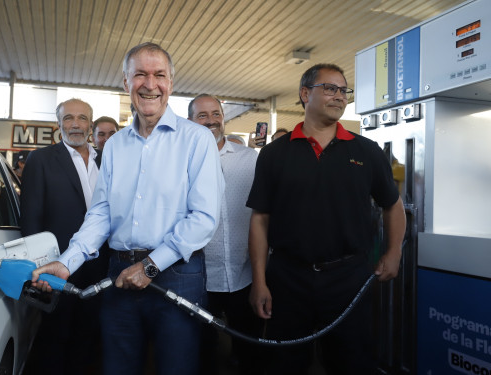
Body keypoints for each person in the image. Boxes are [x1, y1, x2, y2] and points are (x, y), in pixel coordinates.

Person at [31, 42, 224, 375]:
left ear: (171, 83)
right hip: (118, 276)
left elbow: (204, 218)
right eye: (140, 75)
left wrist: (150, 266)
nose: (150, 84)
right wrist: (66, 263)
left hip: (177, 276)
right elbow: (101, 214)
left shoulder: (197, 139)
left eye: (159, 75)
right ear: (126, 83)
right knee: (118, 367)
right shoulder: (116, 144)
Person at [247, 63, 406, 375]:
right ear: (305, 94)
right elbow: (260, 220)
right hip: (288, 279)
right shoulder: (275, 154)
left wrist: (394, 251)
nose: (339, 96)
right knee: (285, 364)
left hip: (348, 277)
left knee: (352, 362)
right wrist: (260, 280)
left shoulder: (367, 151)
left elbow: (393, 205)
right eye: (330, 88)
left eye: (343, 90)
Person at [19, 98, 108, 374]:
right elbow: (31, 218)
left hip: (102, 265)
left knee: (90, 334)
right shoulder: (41, 159)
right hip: (58, 266)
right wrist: (39, 268)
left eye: (82, 118)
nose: (75, 124)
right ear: (58, 125)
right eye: (68, 118)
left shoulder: (106, 160)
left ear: (90, 125)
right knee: (55, 336)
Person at [187, 94, 262, 375]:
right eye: (202, 115)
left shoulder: (248, 159)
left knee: (249, 352)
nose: (210, 120)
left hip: (245, 274)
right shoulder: (180, 162)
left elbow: (263, 212)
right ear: (190, 121)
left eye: (215, 114)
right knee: (202, 353)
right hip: (198, 277)